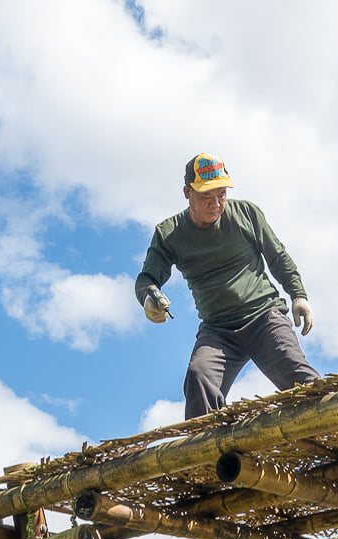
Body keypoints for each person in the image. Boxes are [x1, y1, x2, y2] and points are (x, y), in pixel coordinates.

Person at [134, 153, 320, 420]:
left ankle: (337, 426)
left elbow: (277, 257)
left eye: (221, 194)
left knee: (296, 372)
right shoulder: (170, 234)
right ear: (187, 193)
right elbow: (147, 279)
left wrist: (298, 295)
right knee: (199, 376)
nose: (216, 204)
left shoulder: (246, 214)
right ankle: (206, 452)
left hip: (264, 317)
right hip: (218, 330)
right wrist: (150, 298)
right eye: (206, 197)